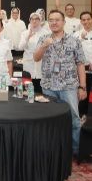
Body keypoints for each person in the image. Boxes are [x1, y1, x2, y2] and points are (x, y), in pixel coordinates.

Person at [34, 10, 87, 156]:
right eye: (51, 20)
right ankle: (53, 150)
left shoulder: (74, 40)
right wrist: (44, 46)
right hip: (48, 86)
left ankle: (75, 150)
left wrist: (82, 87)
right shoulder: (43, 38)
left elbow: (80, 64)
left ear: (64, 22)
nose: (54, 23)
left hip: (69, 86)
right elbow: (36, 58)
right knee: (50, 119)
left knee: (73, 119)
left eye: (57, 20)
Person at [17, 12, 50, 92]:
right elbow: (20, 47)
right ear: (30, 20)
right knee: (28, 91)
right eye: (32, 19)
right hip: (28, 64)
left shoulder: (46, 33)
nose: (34, 21)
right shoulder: (25, 33)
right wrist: (28, 37)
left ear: (40, 20)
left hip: (41, 65)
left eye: (37, 19)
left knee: (40, 91)